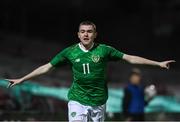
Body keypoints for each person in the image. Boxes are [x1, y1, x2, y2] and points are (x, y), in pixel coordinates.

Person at [5, 21, 175, 122]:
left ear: (95, 34)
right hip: (77, 99)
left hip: (99, 101)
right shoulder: (69, 52)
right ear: (78, 34)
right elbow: (47, 67)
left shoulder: (104, 50)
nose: (86, 34)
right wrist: (23, 79)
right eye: (83, 31)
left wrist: (157, 63)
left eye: (89, 31)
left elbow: (130, 58)